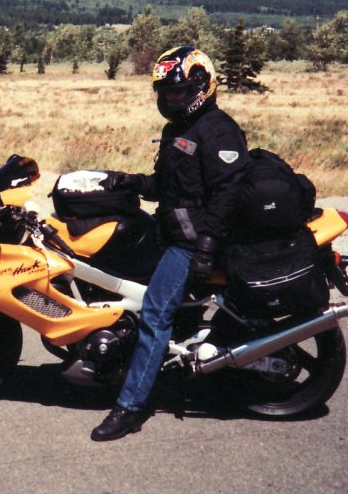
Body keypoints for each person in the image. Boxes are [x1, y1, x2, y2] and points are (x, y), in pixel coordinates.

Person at [91, 45, 251, 442]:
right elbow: (168, 187)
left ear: (201, 86)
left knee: (154, 314)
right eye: (164, 92)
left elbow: (228, 194)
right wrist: (127, 181)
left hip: (191, 240)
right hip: (171, 230)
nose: (170, 98)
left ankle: (131, 405)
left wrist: (207, 246)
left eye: (177, 92)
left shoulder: (219, 130)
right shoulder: (176, 129)